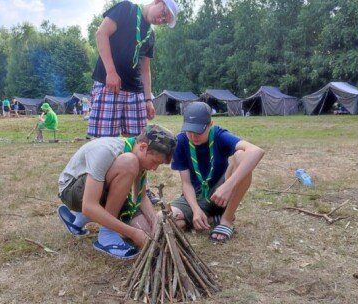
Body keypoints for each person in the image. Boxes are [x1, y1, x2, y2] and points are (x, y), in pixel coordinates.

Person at [57, 124, 177, 259]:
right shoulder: (110, 151)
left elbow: (141, 197)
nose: (154, 168)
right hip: (72, 191)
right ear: (143, 147)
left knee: (148, 233)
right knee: (129, 162)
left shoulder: (138, 154)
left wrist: (155, 225)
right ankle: (106, 234)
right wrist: (133, 233)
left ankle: (84, 219)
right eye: (154, 162)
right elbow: (89, 206)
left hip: (97, 190)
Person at [168, 102, 265, 243]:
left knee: (241, 156)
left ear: (210, 124)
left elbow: (256, 151)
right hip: (196, 197)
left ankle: (226, 220)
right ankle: (210, 218)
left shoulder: (219, 135)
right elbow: (186, 184)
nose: (194, 137)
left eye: (199, 132)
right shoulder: (181, 142)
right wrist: (195, 210)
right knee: (164, 220)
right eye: (190, 131)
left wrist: (228, 186)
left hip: (221, 195)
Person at [87, 0, 178, 138]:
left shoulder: (150, 34)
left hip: (135, 93)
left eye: (164, 20)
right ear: (158, 1)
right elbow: (101, 34)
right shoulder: (127, 9)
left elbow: (145, 70)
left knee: (138, 143)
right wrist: (111, 72)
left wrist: (148, 100)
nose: (160, 20)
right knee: (104, 143)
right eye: (163, 14)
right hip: (110, 86)